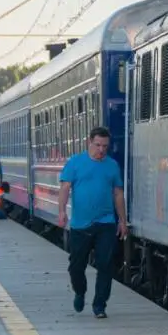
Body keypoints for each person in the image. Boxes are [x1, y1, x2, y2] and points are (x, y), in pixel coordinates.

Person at [57, 126, 128, 319]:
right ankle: (80, 291)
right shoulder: (75, 163)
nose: (101, 150)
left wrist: (122, 220)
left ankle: (100, 305)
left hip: (106, 223)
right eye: (98, 145)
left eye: (105, 146)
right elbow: (64, 188)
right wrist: (62, 211)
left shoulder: (112, 166)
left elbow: (118, 193)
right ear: (89, 142)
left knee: (106, 264)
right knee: (76, 266)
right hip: (81, 225)